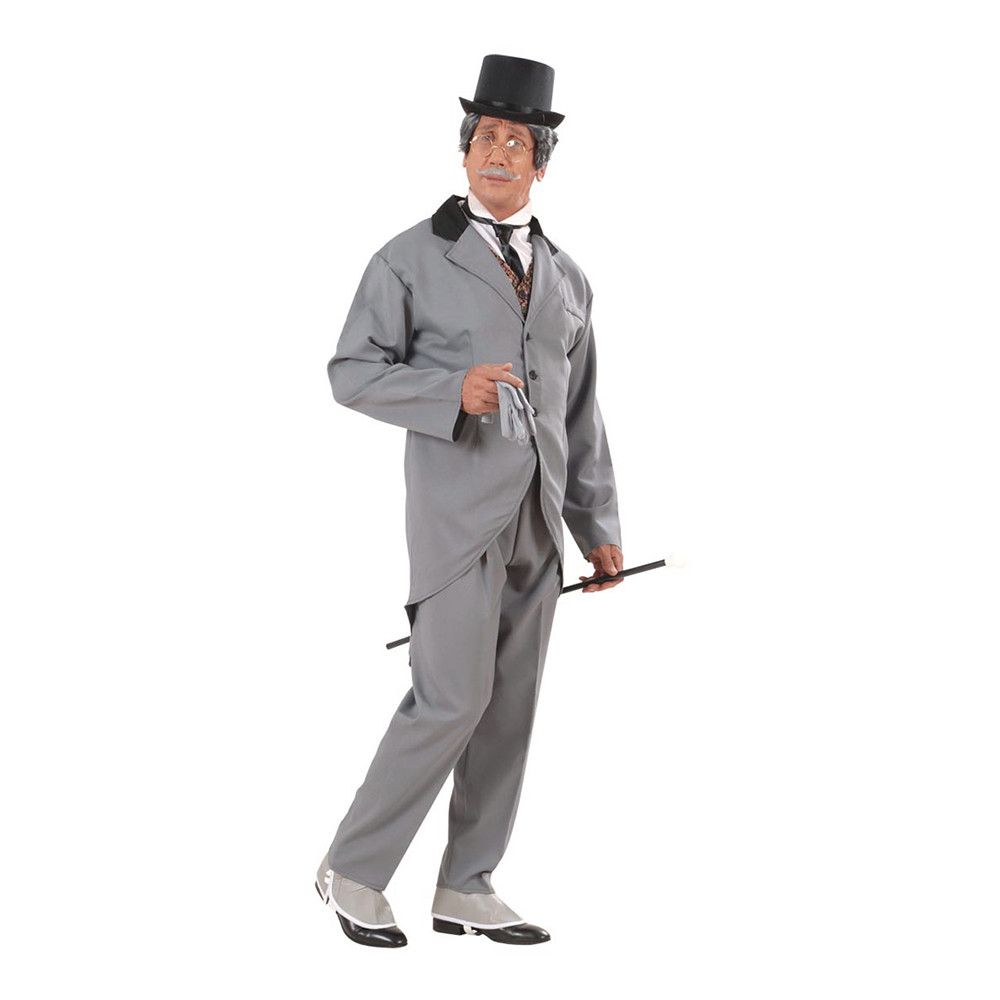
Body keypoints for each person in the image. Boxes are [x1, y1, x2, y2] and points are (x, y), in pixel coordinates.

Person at [316, 54, 623, 947]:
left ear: (541, 164)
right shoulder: (408, 259)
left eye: (517, 142)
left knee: (509, 707)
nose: (498, 153)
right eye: (485, 137)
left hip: (541, 522)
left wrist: (598, 527)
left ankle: (468, 884)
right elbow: (351, 372)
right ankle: (352, 869)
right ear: (464, 152)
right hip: (458, 522)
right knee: (450, 699)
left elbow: (581, 412)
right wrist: (453, 390)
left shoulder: (568, 278)